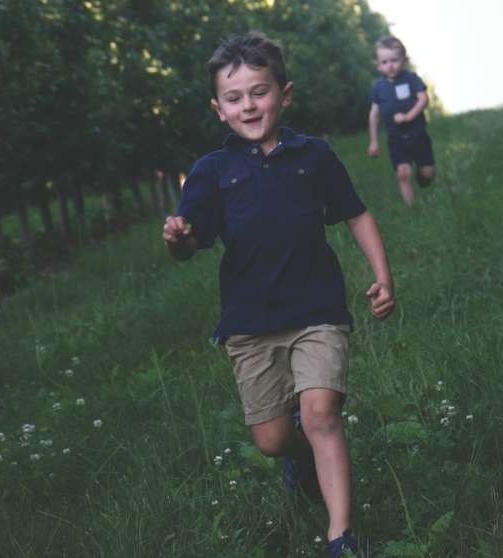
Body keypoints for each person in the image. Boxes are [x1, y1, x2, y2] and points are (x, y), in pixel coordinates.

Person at [162, 31, 393, 558]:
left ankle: (341, 537)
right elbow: (191, 242)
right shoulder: (211, 172)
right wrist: (178, 239)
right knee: (270, 439)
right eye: (235, 97)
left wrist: (383, 276)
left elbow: (356, 214)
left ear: (284, 94)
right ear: (218, 108)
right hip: (250, 322)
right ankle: (300, 457)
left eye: (259, 92)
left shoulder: (313, 156)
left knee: (321, 412)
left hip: (318, 311)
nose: (249, 105)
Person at [367, 35, 436, 206]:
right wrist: (374, 142)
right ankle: (412, 209)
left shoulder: (411, 78)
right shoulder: (378, 87)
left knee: (427, 173)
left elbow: (423, 99)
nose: (390, 65)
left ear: (404, 60)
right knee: (403, 173)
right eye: (384, 62)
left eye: (394, 60)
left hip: (418, 135)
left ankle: (423, 179)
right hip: (396, 139)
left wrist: (408, 116)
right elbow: (374, 115)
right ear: (378, 65)